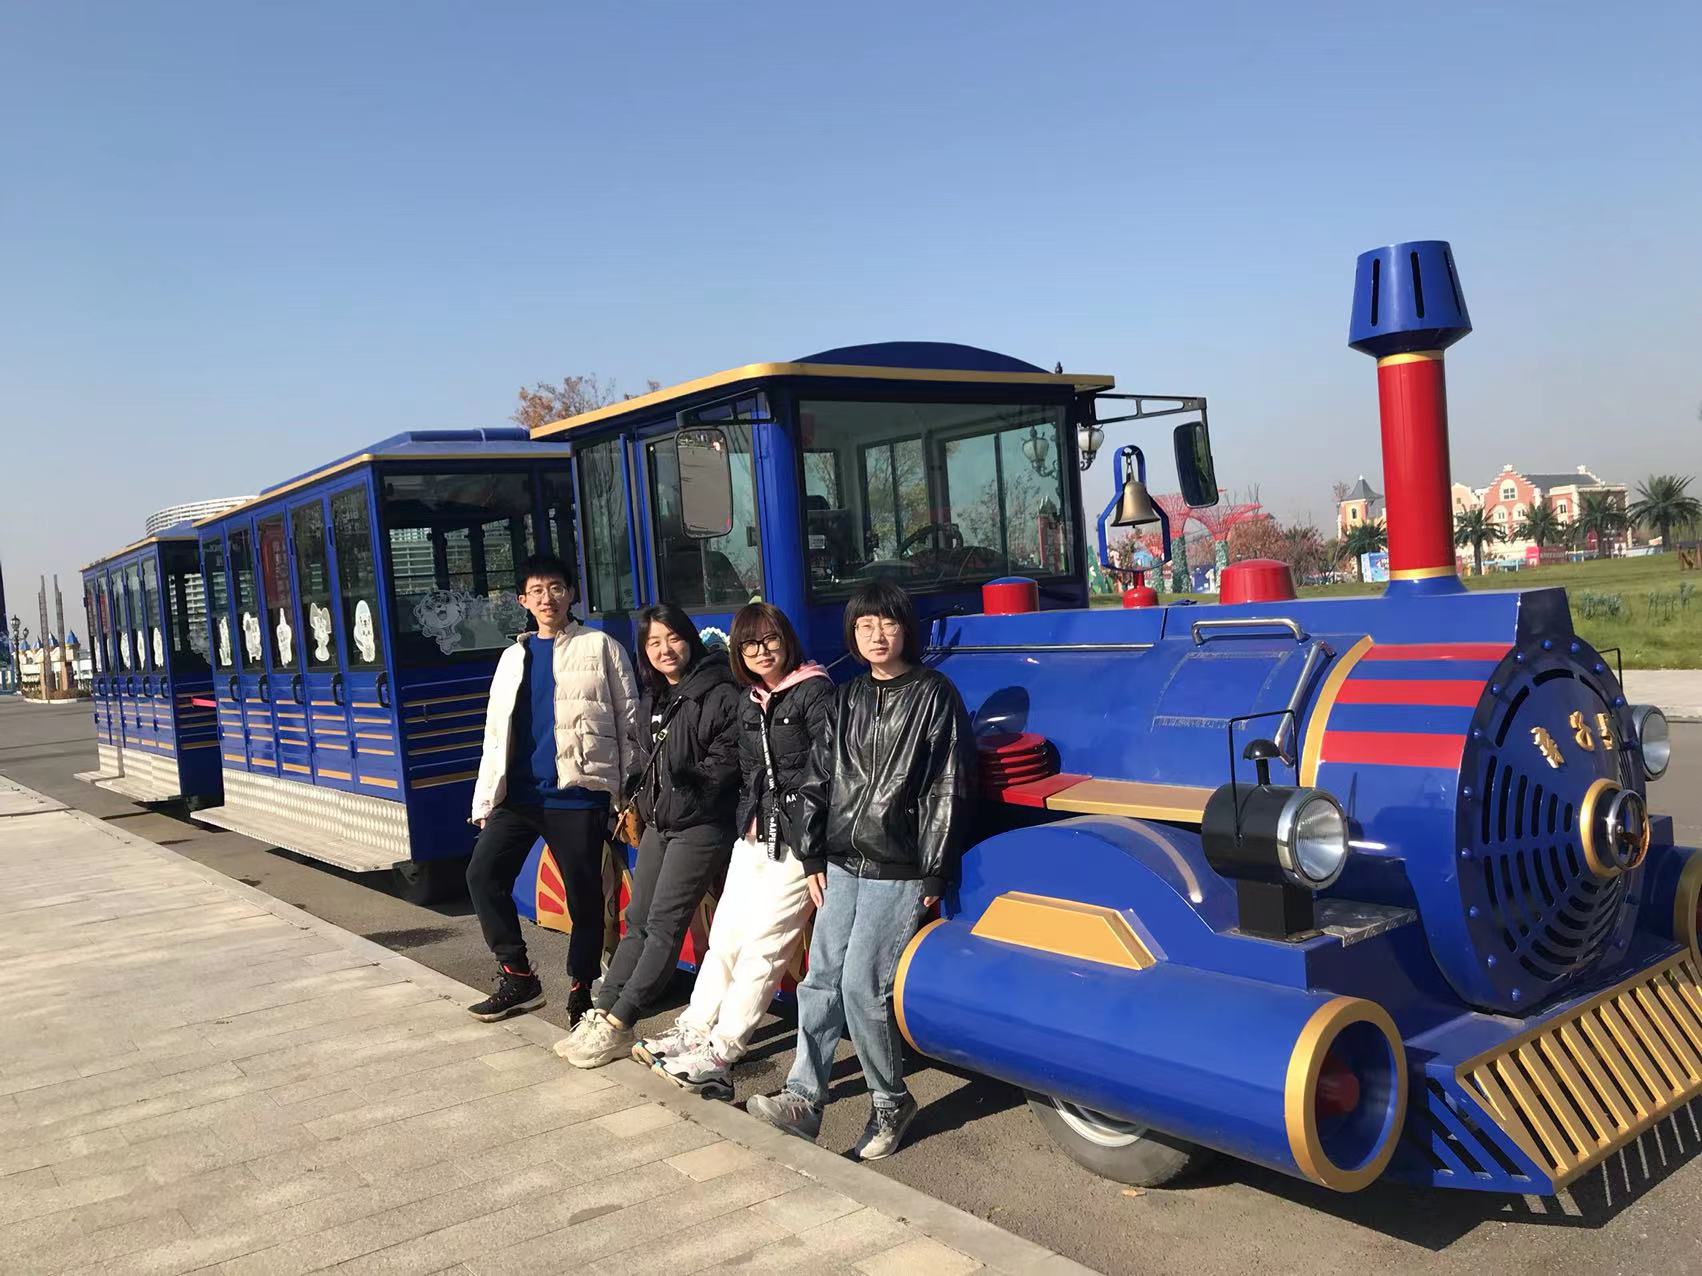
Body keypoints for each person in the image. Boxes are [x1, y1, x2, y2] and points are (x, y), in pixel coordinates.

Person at [747, 580, 975, 1160]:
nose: (877, 635)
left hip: (899, 865)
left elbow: (947, 785)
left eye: (888, 623)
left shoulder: (934, 693)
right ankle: (803, 1099)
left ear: (906, 629)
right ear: (852, 633)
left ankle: (891, 1102)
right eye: (865, 625)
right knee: (819, 980)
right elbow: (818, 778)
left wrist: (934, 870)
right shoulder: (845, 696)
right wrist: (811, 853)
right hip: (842, 861)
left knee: (860, 986)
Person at [639, 602, 834, 1097]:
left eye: (770, 640)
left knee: (765, 946)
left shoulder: (816, 692)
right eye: (749, 645)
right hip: (753, 836)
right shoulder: (751, 700)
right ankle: (695, 1028)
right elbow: (750, 776)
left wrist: (813, 848)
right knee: (725, 936)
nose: (761, 652)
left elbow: (826, 776)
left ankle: (723, 1051)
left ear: (787, 640)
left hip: (798, 842)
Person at [557, 603, 742, 1068]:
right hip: (660, 823)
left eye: (673, 638)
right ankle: (603, 1011)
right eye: (654, 643)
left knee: (663, 925)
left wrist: (683, 793)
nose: (665, 650)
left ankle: (622, 1021)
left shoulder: (719, 691)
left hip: (700, 826)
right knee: (636, 919)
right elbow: (645, 757)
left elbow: (724, 765)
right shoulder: (656, 695)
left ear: (690, 639)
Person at [465, 554, 638, 1024]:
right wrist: (486, 799)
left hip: (578, 794)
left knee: (584, 898)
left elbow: (630, 723)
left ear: (572, 593)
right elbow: (495, 734)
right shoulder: (512, 657)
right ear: (523, 600)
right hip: (519, 797)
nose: (548, 598)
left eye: (556, 588)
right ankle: (518, 976)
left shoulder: (600, 646)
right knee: (482, 875)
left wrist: (625, 795)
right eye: (537, 591)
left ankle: (582, 990)